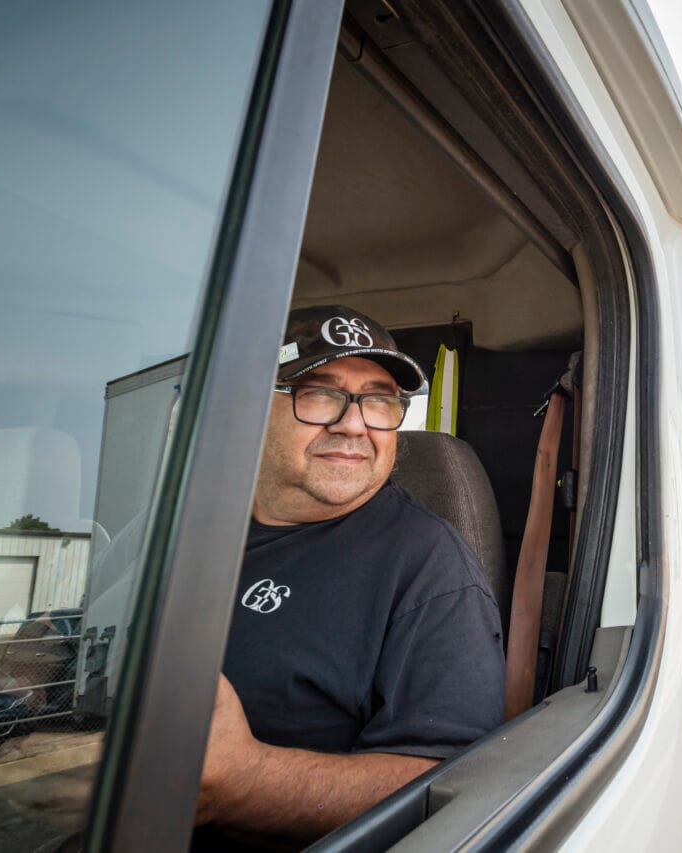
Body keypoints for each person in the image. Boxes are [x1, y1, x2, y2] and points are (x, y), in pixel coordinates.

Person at [195, 306, 505, 846]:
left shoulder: (430, 570)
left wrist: (245, 781)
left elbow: (454, 785)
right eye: (319, 393)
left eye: (380, 400)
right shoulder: (180, 527)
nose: (354, 423)